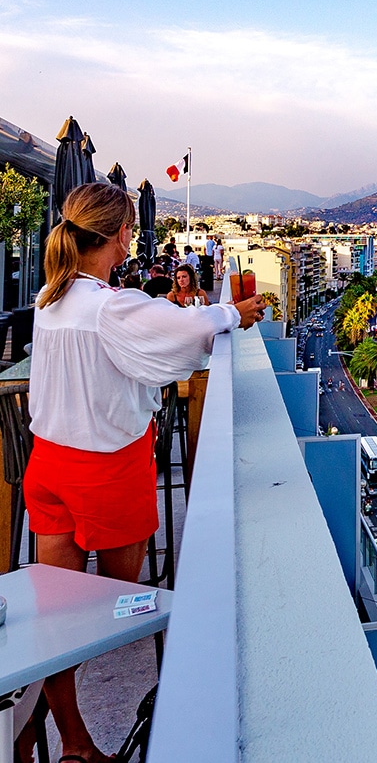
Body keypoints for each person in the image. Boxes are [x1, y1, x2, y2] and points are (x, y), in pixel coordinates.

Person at [21, 183, 263, 763]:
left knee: (60, 623)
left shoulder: (48, 300)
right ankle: (94, 734)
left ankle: (62, 737)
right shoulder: (107, 306)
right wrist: (234, 312)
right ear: (111, 235)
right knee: (118, 611)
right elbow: (176, 330)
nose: (132, 237)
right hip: (107, 472)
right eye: (128, 228)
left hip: (47, 465)